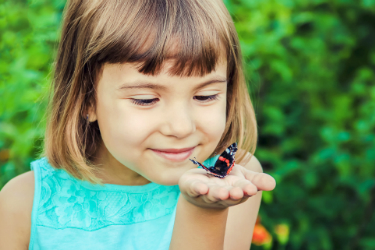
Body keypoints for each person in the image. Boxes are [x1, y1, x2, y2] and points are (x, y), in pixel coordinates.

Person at [0, 0, 276, 249]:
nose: (181, 128)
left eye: (205, 96)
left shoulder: (235, 180)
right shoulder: (23, 203)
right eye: (145, 99)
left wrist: (204, 210)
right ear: (86, 98)